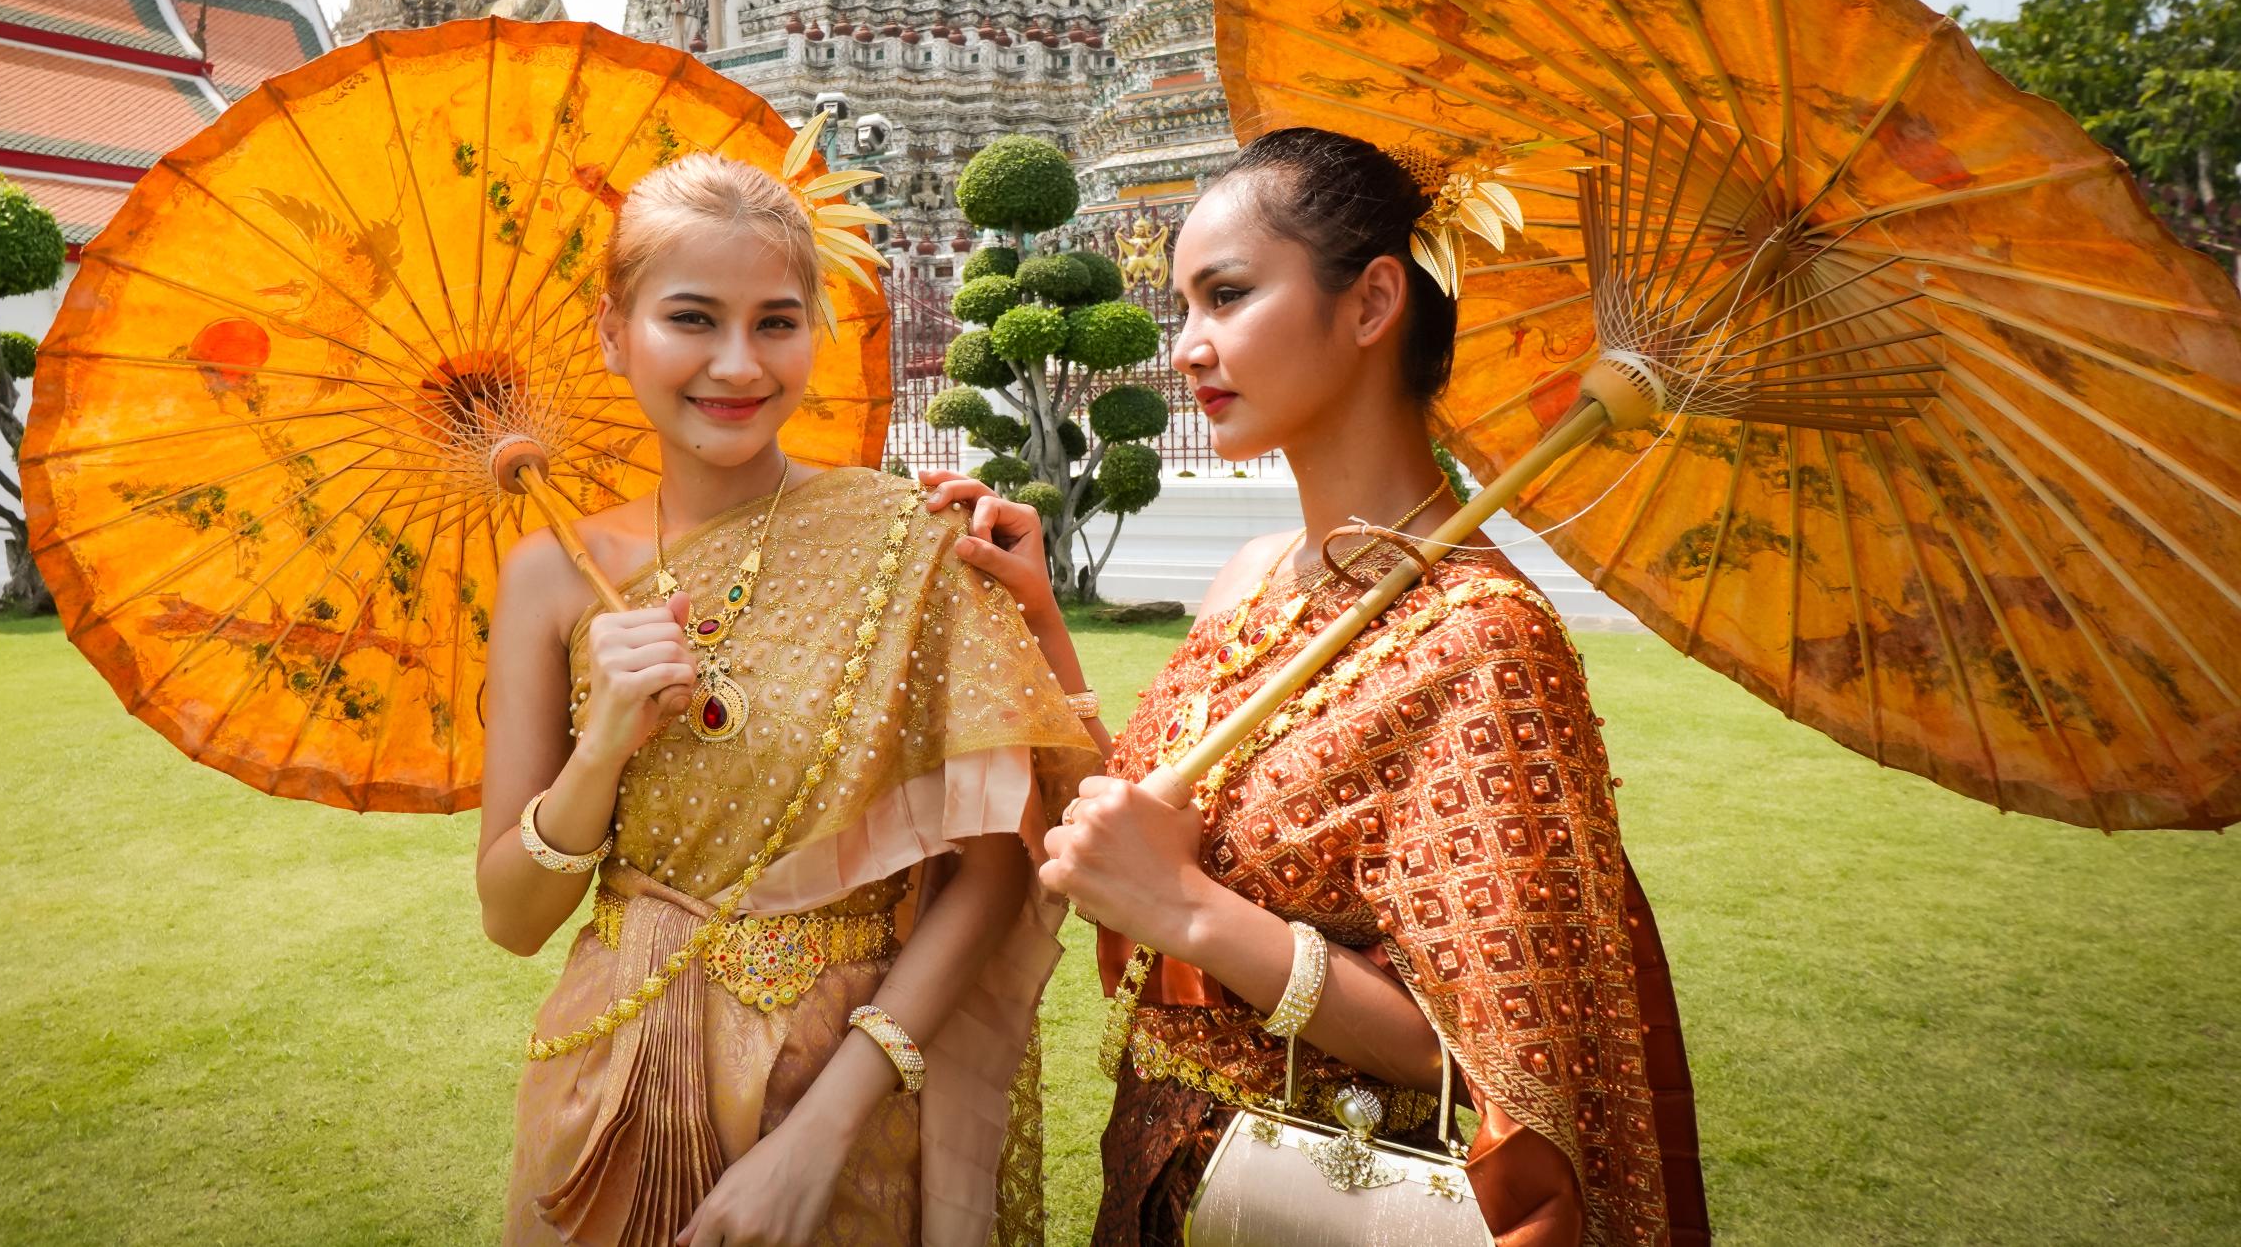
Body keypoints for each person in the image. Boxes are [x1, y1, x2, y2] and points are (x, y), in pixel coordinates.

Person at [924, 128, 1711, 1246]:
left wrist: (1191, 913)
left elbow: (1499, 1059)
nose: (1189, 348)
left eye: (1228, 296)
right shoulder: (1253, 577)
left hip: (1314, 1199)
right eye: (1182, 308)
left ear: (1373, 301)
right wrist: (1041, 617)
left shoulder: (1483, 639)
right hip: (1159, 1173)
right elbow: (1125, 835)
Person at [481, 150, 1103, 1246]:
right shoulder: (547, 577)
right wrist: (602, 749)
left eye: (776, 320)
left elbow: (993, 870)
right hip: (609, 1072)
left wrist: (824, 1127)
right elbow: (512, 916)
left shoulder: (905, 540)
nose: (737, 363)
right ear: (612, 331)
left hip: (849, 1081)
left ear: (816, 328)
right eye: (691, 318)